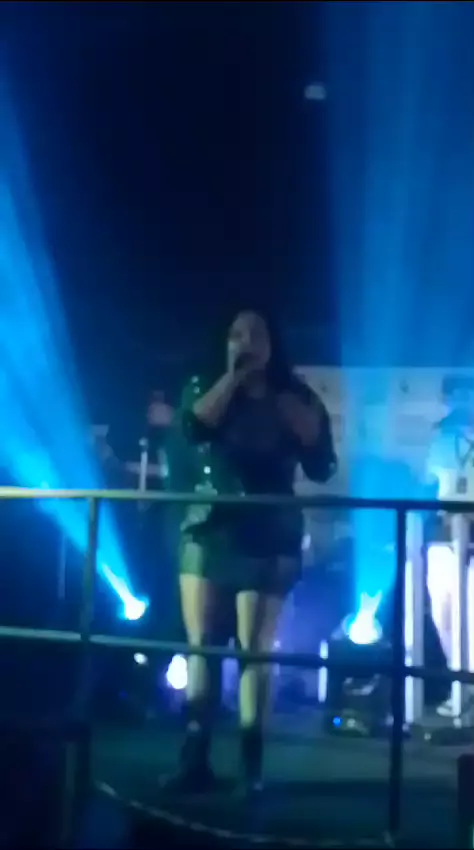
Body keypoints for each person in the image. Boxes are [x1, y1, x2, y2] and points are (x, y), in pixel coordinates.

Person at [164, 309, 337, 795]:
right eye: (236, 334)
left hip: (269, 532)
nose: (246, 342)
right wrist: (233, 379)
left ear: (273, 344)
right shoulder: (206, 386)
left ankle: (251, 765)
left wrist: (296, 417)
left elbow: (321, 464)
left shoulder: (296, 395)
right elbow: (193, 429)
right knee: (202, 646)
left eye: (256, 334)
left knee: (254, 652)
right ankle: (194, 758)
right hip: (209, 527)